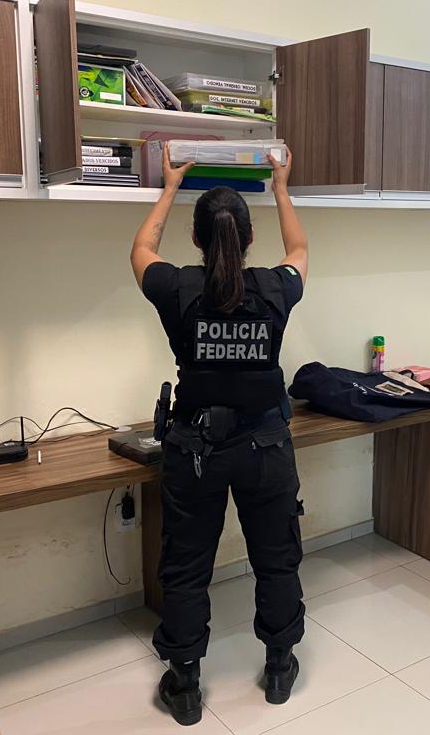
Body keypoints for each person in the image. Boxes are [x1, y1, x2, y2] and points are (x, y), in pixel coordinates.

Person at [130, 144, 308, 727]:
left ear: (197, 239)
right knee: (276, 558)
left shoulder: (177, 288)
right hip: (266, 449)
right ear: (249, 238)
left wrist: (169, 186)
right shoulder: (276, 287)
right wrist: (281, 186)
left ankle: (184, 683)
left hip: (195, 452)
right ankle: (278, 666)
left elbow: (141, 249)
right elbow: (301, 250)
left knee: (186, 566)